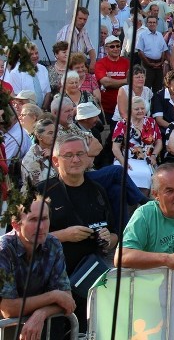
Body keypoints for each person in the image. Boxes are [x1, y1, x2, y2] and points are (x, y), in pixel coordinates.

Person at [39, 133, 118, 332]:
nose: (76, 159)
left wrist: (109, 240)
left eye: (80, 154)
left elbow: (115, 234)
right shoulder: (42, 192)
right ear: (55, 161)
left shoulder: (98, 190)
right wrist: (64, 235)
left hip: (90, 283)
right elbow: (23, 239)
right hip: (51, 285)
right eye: (69, 155)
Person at [0, 197, 76, 340]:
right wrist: (53, 296)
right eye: (33, 220)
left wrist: (41, 313)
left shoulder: (53, 244)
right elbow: (8, 309)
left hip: (41, 331)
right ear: (16, 225)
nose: (41, 227)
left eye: (44, 219)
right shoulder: (3, 251)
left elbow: (67, 299)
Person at [112, 96, 162, 194]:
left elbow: (159, 142)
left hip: (147, 160)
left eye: (142, 108)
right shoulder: (122, 124)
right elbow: (115, 147)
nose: (140, 111)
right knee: (124, 175)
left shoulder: (151, 122)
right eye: (136, 109)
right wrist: (123, 161)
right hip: (126, 159)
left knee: (146, 175)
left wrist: (154, 155)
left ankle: (143, 203)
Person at [21, 117, 56, 190]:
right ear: (39, 137)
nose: (54, 135)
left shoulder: (56, 150)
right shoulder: (32, 159)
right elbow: (38, 188)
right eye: (50, 133)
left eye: (55, 132)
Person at [137, 13, 170, 88]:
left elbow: (163, 50)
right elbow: (140, 52)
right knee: (146, 87)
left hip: (159, 65)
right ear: (147, 23)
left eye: (154, 22)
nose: (152, 24)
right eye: (150, 22)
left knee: (158, 87)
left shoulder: (160, 35)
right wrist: (149, 63)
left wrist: (160, 62)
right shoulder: (142, 35)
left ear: (157, 23)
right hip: (147, 65)